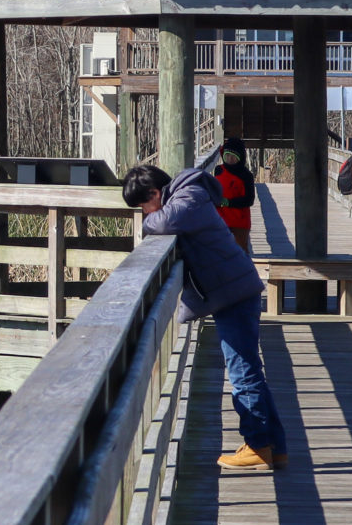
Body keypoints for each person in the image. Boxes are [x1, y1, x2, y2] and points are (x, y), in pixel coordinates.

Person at [123, 162, 287, 472]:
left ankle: (258, 446)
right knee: (249, 368)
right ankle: (272, 446)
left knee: (242, 373)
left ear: (156, 193)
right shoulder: (188, 196)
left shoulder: (188, 198)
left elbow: (160, 223)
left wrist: (148, 221)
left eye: (144, 205)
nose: (145, 213)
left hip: (234, 294)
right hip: (233, 289)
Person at [214, 137, 256, 255]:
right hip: (220, 219)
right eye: (227, 155)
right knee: (219, 251)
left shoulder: (246, 176)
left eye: (234, 156)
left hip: (240, 221)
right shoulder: (219, 170)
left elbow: (249, 200)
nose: (230, 159)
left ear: (240, 157)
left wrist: (228, 202)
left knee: (240, 252)